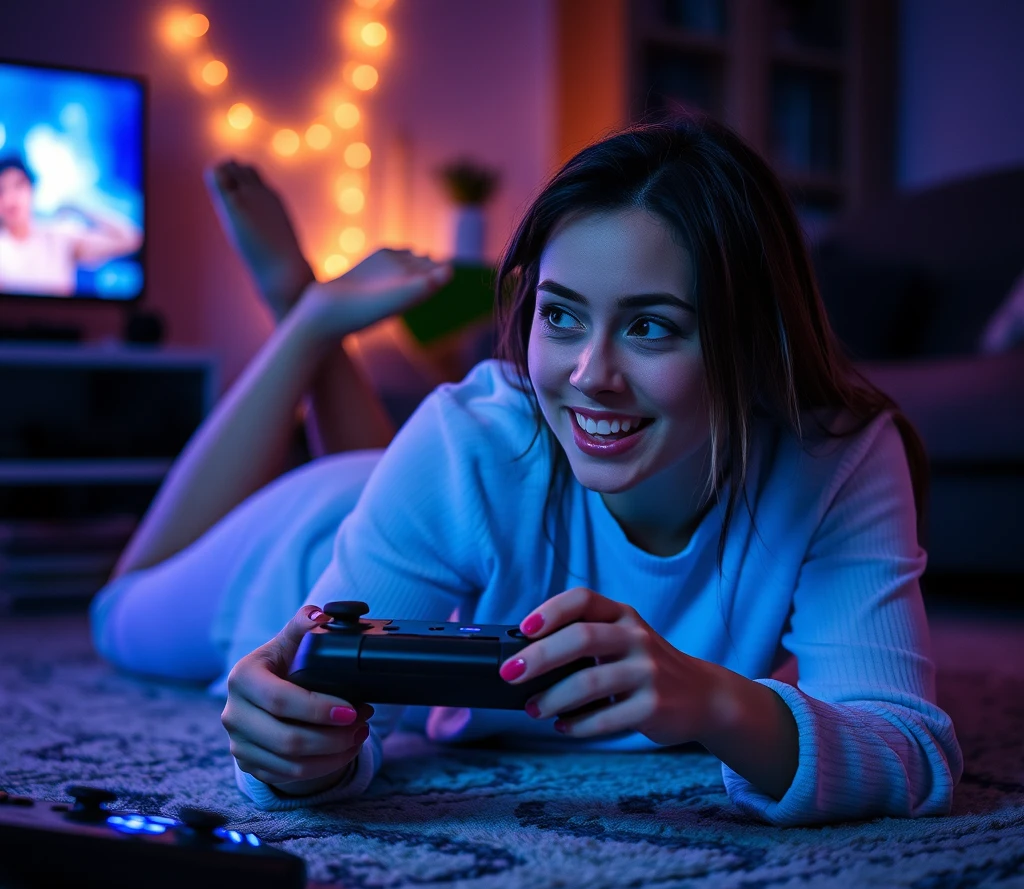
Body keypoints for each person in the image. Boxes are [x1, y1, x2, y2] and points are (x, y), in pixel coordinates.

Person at [90, 117, 963, 826]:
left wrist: (715, 702)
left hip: (442, 504)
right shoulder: (470, 437)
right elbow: (340, 739)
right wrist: (294, 748)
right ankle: (310, 317)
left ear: (753, 341)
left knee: (456, 464)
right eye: (561, 316)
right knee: (115, 611)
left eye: (652, 326)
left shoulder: (840, 457)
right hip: (315, 540)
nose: (590, 373)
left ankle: (314, 324)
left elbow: (909, 750)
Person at [0, 153, 141, 296]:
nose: (11, 198)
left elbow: (131, 239)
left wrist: (79, 208)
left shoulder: (60, 236)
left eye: (19, 185)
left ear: (32, 188)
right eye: (1, 191)